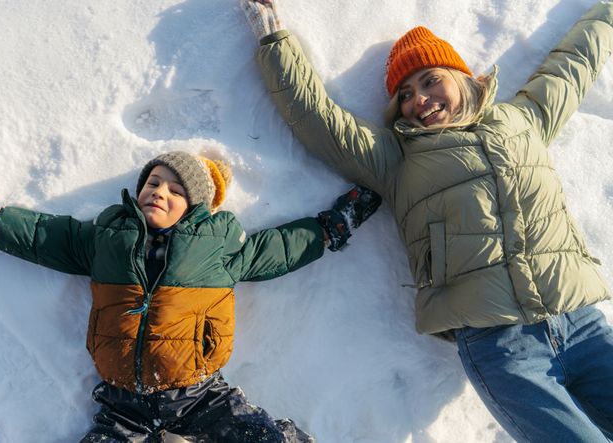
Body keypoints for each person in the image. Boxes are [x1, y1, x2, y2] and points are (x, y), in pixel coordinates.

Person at [241, 0, 613, 441]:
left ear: (460, 78)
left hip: (581, 323)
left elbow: (571, 67)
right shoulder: (398, 159)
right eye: (405, 95)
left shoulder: (522, 121)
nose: (419, 99)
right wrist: (273, 40)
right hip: (501, 346)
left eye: (429, 80)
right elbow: (318, 119)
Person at [0, 149, 381, 442]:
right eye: (153, 182)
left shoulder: (220, 247)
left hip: (199, 395)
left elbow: (281, 249)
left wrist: (334, 225)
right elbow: (44, 235)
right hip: (122, 404)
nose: (159, 192)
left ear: (195, 207)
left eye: (174, 190)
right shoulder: (107, 238)